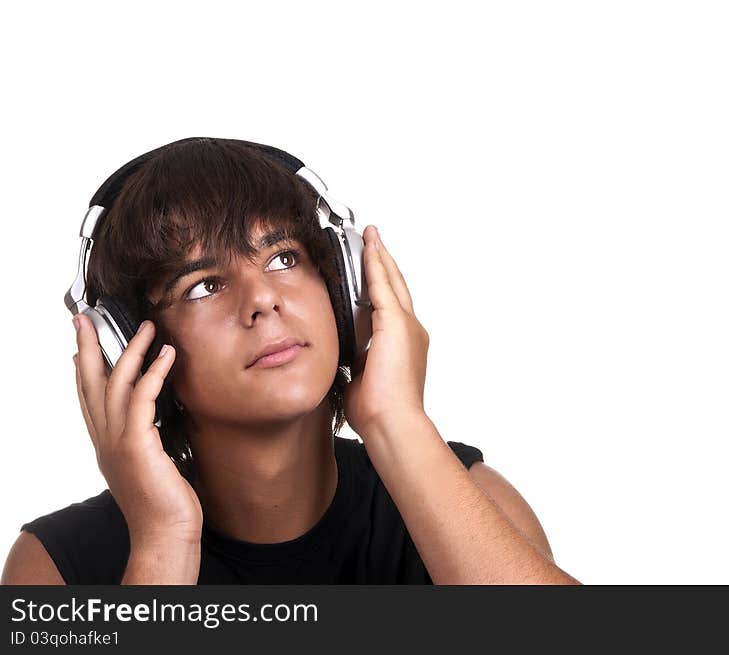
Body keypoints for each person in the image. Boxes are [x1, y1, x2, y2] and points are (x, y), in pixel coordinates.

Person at [1, 138, 580, 585]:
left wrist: (397, 423)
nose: (261, 299)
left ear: (343, 286)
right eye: (203, 286)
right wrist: (162, 540)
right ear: (130, 347)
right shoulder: (57, 565)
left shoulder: (465, 497)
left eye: (283, 257)